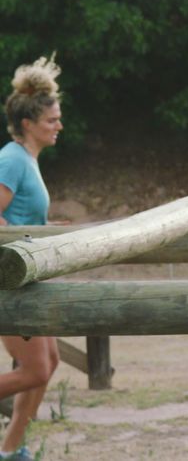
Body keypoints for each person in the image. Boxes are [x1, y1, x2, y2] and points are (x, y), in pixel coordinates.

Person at [0, 56, 64, 461]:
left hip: (30, 277)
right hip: (11, 280)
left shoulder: (27, 160)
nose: (59, 125)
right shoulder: (11, 158)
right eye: (51, 120)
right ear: (28, 124)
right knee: (35, 370)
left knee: (50, 362)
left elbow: (21, 217)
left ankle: (12, 449)